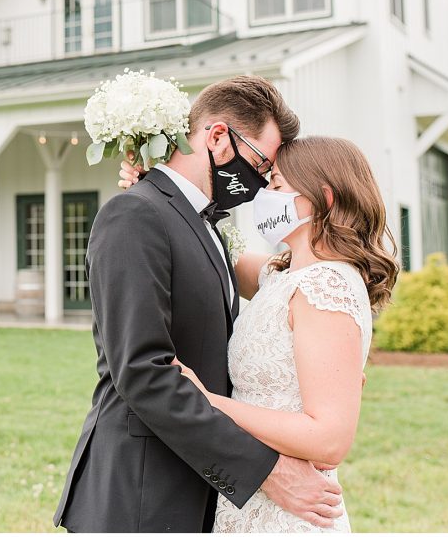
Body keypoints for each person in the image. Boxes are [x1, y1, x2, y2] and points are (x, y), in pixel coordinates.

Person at [53, 76, 346, 533]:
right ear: (217, 137)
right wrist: (266, 470)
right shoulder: (135, 214)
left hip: (195, 488)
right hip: (141, 494)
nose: (261, 183)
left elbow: (287, 283)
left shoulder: (205, 225)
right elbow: (144, 374)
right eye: (260, 162)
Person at [120, 135, 399, 532]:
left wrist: (209, 401)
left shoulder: (329, 286)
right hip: (248, 500)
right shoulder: (284, 275)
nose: (265, 194)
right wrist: (161, 192)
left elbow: (330, 439)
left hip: (291, 512)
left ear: (325, 198)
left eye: (279, 184)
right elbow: (207, 254)